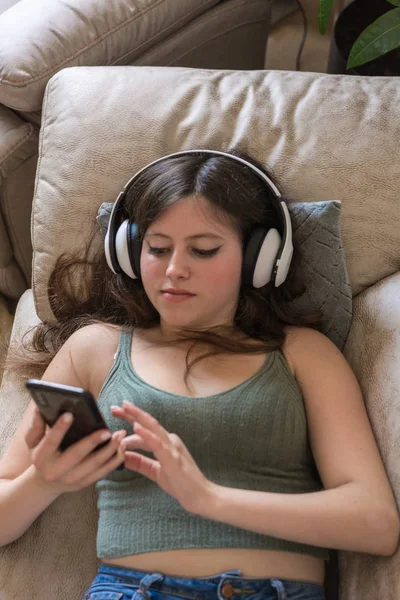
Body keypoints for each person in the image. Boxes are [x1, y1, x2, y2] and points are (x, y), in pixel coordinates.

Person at [0, 149, 398, 600]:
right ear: (129, 252)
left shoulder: (302, 353)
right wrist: (45, 481)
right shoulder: (94, 349)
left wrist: (209, 498)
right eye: (157, 248)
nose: (174, 270)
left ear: (258, 258)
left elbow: (375, 523)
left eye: (204, 250)